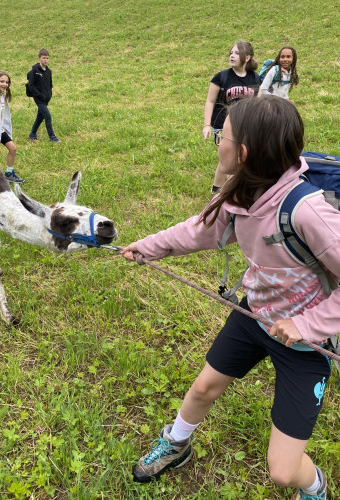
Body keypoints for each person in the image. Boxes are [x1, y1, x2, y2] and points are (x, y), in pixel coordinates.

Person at [122, 96, 337, 499]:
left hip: (307, 344)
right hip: (254, 314)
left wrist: (306, 325)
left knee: (283, 471)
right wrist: (147, 247)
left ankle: (316, 487)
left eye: (223, 135)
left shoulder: (308, 212)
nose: (216, 140)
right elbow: (197, 230)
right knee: (204, 388)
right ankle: (178, 443)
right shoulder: (241, 192)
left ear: (242, 152)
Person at [202, 41, 261, 194]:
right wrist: (207, 125)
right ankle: (230, 192)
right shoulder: (221, 77)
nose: (232, 56)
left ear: (247, 57)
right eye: (231, 53)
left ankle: (217, 188)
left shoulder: (255, 78)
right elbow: (210, 101)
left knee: (234, 159)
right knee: (230, 160)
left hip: (244, 125)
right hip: (223, 125)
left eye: (236, 53)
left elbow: (257, 103)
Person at [27, 48, 60, 142]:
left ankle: (32, 133)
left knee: (40, 117)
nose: (46, 60)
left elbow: (50, 84)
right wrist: (38, 95)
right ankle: (52, 137)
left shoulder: (49, 71)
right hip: (39, 99)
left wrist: (49, 94)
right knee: (47, 116)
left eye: (47, 58)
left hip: (46, 98)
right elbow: (31, 85)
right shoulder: (35, 70)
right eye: (44, 58)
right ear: (39, 58)